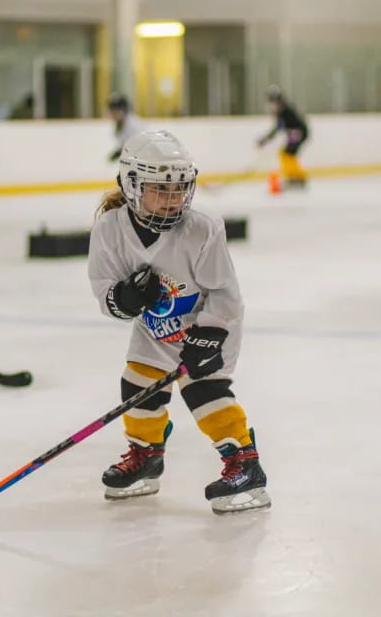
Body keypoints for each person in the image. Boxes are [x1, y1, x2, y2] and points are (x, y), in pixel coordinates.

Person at [88, 130, 271, 514]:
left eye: (179, 190)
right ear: (132, 185)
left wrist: (209, 335)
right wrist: (123, 298)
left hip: (206, 329)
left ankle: (245, 463)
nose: (173, 200)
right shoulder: (109, 229)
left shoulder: (202, 228)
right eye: (161, 190)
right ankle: (146, 456)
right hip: (155, 331)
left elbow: (225, 291)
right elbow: (104, 291)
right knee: (137, 387)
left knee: (203, 393)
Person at [257, 85, 310, 188]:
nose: (273, 104)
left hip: (298, 133)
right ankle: (294, 177)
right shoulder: (283, 110)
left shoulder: (285, 110)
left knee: (287, 154)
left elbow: (281, 127)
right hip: (296, 133)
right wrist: (266, 139)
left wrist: (266, 139)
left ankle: (297, 177)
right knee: (286, 154)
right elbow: (279, 127)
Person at [106, 92, 147, 162]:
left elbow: (141, 149)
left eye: (115, 112)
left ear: (123, 110)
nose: (112, 115)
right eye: (111, 112)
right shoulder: (120, 125)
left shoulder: (134, 125)